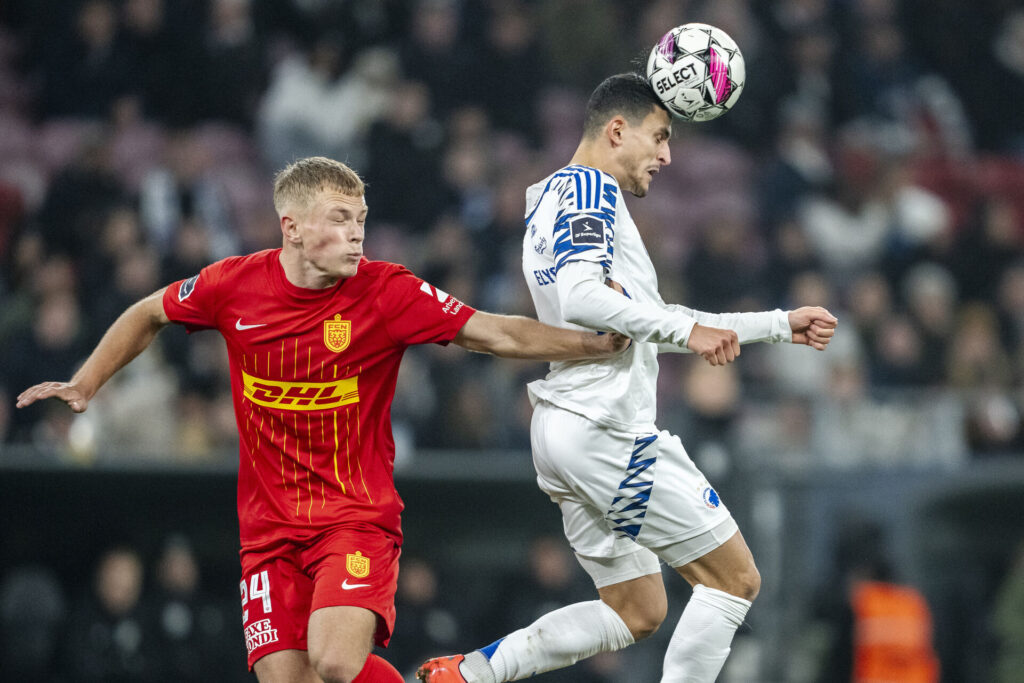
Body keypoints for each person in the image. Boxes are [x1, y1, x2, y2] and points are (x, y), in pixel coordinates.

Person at [16, 156, 629, 683]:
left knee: (336, 663)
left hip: (354, 519)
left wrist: (592, 344)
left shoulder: (386, 292)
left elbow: (493, 331)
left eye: (361, 219)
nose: (357, 234)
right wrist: (86, 382)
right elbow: (149, 312)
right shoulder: (233, 286)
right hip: (267, 533)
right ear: (293, 227)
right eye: (341, 219)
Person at [417, 73, 838, 683]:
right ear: (617, 131)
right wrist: (686, 336)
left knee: (637, 609)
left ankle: (471, 675)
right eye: (660, 138)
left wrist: (776, 324)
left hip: (563, 427)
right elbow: (584, 296)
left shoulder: (553, 197)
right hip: (605, 430)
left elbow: (658, 313)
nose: (667, 157)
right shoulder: (590, 190)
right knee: (736, 579)